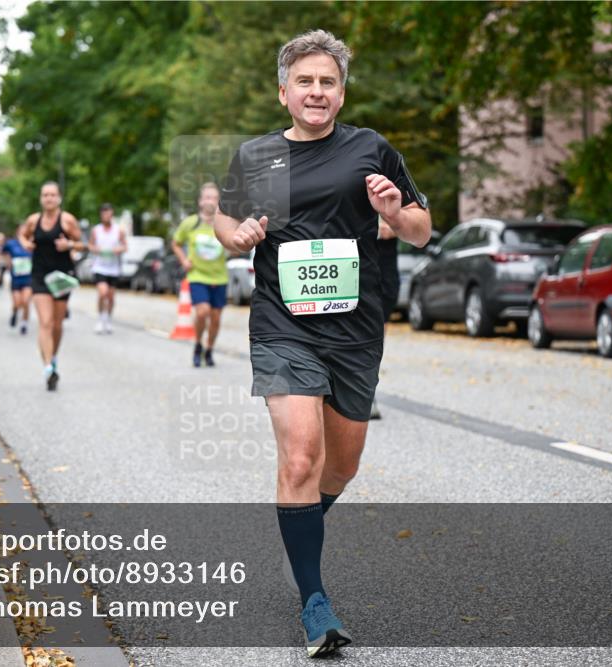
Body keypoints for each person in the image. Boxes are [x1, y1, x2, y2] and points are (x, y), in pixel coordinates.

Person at [213, 30, 431, 658]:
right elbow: (225, 220)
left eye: (327, 81)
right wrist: (239, 235)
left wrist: (394, 209)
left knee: (342, 465)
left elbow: (420, 230)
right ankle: (314, 602)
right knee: (302, 458)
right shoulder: (255, 157)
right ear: (284, 92)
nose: (316, 91)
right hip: (284, 325)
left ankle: (298, 536)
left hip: (356, 331)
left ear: (341, 92)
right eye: (304, 81)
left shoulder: (372, 149)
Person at [26, 181, 83, 390]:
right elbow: (23, 236)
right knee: (46, 322)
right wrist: (26, 244)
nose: (48, 198)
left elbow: (81, 243)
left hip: (61, 276)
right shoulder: (33, 220)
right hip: (40, 276)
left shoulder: (67, 220)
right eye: (45, 195)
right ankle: (49, 367)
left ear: (59, 198)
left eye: (52, 195)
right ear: (41, 199)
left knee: (57, 325)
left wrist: (69, 245)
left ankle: (53, 356)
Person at [172, 182, 229, 367]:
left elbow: (233, 245)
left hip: (219, 277)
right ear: (200, 201)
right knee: (202, 311)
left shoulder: (224, 223)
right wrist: (184, 261)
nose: (210, 201)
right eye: (207, 197)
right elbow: (176, 243)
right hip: (197, 276)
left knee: (216, 318)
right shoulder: (190, 223)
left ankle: (209, 349)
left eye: (214, 197)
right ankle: (197, 344)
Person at [370, 218, 400, 420]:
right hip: (356, 272)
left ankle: (368, 392)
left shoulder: (393, 189)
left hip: (384, 277)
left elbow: (393, 230)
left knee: (376, 339)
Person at [88, 203, 126, 334]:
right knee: (102, 293)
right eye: (104, 213)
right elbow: (90, 246)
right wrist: (96, 249)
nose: (106, 215)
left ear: (112, 214)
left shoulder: (118, 230)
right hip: (100, 267)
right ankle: (100, 319)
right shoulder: (96, 230)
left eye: (108, 212)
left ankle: (108, 319)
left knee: (110, 297)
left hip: (113, 268)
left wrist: (117, 250)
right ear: (101, 215)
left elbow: (125, 246)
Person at [3, 222, 33, 335]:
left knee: (26, 301)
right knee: (17, 302)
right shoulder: (11, 244)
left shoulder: (32, 244)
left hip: (28, 278)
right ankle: (15, 312)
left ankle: (24, 324)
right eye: (21, 230)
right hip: (16, 277)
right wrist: (8, 263)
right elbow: (4, 253)